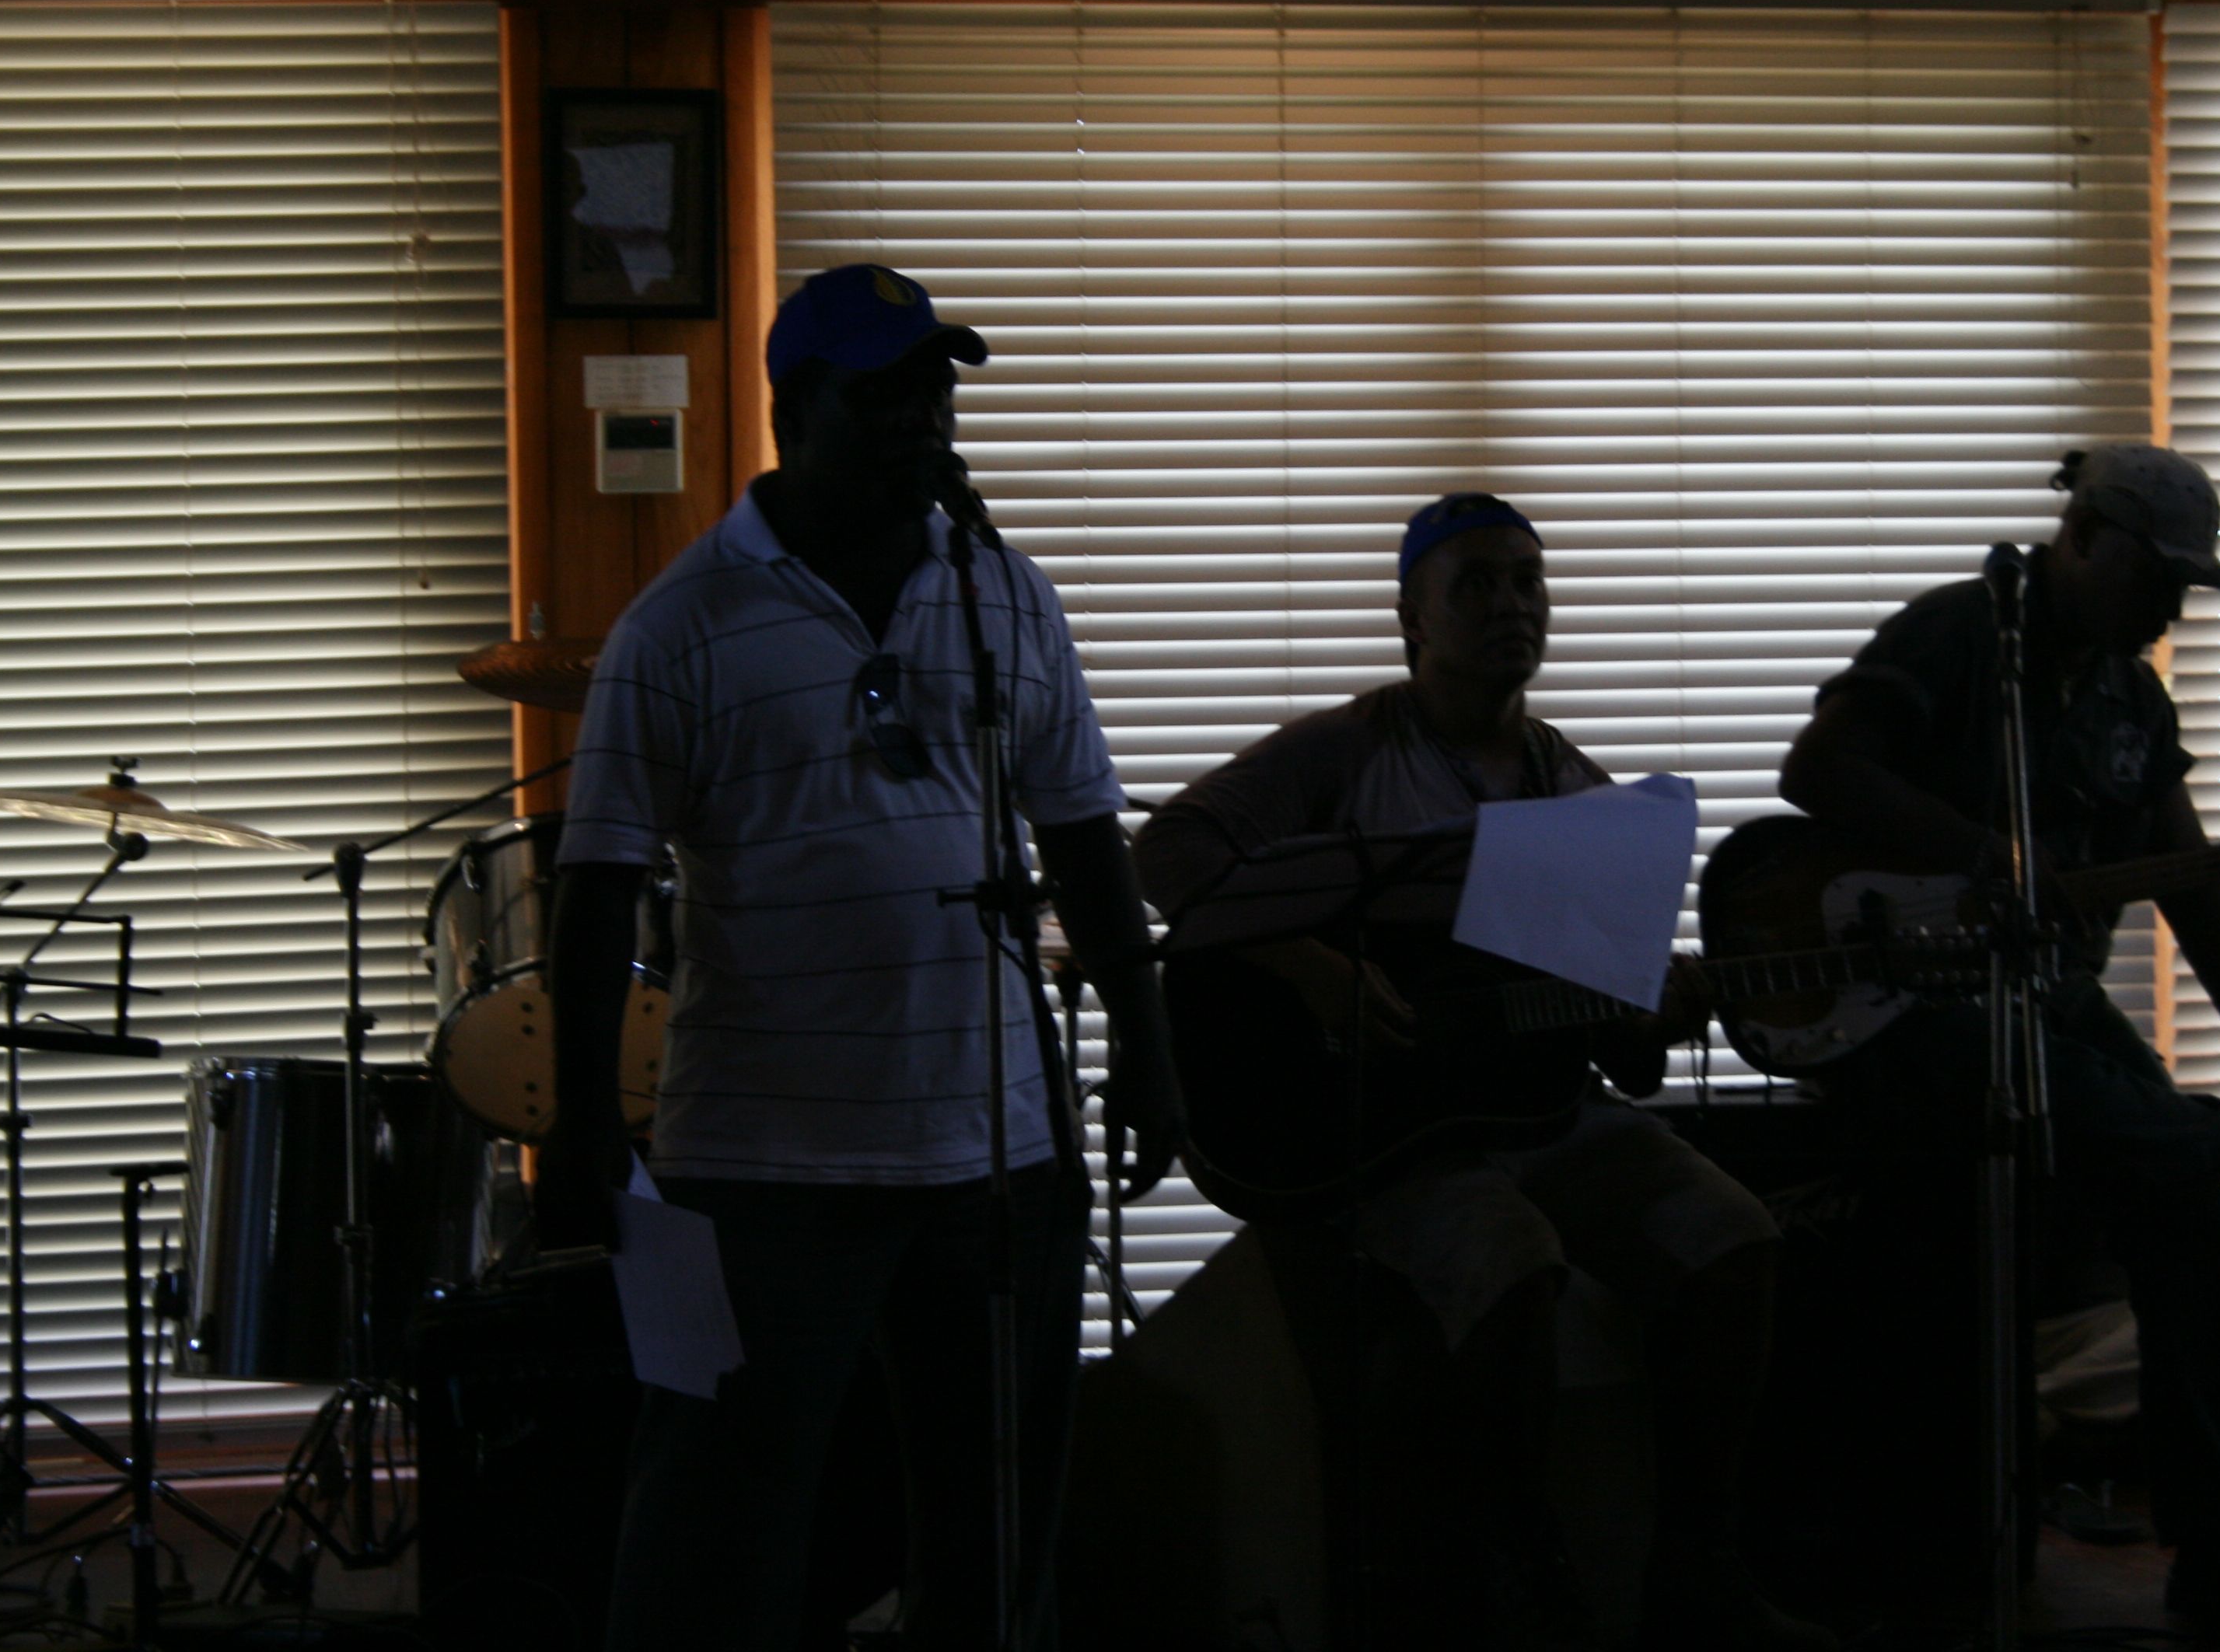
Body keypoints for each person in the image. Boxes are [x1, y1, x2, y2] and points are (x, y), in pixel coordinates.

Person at [536, 263, 1186, 1652]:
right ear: (793, 412)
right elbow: (596, 887)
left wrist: (1150, 1044)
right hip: (765, 1163)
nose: (923, 422)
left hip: (995, 1149)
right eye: (883, 397)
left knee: (994, 1527)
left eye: (936, 392)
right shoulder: (682, 624)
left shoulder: (1005, 594)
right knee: (718, 1527)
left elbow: (1083, 838)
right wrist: (583, 1121)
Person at [1132, 494, 1831, 1652]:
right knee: (1508, 1256)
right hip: (1378, 1132)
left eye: (1527, 581)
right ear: (1412, 617)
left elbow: (1618, 1057)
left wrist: (1655, 1009)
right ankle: (1512, 1577)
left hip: (1540, 1112)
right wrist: (1313, 969)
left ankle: (1696, 1568)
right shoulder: (1346, 750)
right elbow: (1167, 853)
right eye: (1478, 585)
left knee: (1736, 1238)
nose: (1512, 605)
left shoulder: (1577, 787)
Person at [1774, 444, 2220, 1652]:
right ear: (2080, 538)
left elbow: (2187, 878)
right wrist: (1983, 854)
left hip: (2050, 1002)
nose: (2169, 607)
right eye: (2155, 575)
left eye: (2185, 586)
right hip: (1906, 1006)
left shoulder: (2130, 699)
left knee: (2182, 1211)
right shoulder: (1958, 634)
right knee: (2166, 1142)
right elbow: (1817, 770)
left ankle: (2218, 1550)